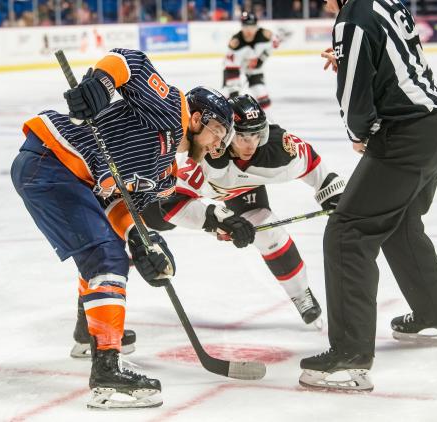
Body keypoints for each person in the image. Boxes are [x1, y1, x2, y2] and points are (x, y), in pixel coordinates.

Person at [11, 48, 234, 409]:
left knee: (111, 246)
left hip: (66, 177)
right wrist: (100, 83)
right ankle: (107, 373)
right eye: (218, 132)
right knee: (105, 257)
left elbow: (119, 206)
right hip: (50, 160)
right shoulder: (171, 110)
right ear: (197, 119)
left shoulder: (164, 176)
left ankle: (90, 336)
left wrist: (143, 241)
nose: (217, 146)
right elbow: (130, 62)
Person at [299, 0, 437, 392]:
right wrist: (349, 56)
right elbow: (393, 61)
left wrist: (361, 133)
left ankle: (349, 357)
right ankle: (436, 313)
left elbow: (354, 90)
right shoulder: (386, 2)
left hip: (405, 136)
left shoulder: (353, 14)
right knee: (401, 222)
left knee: (347, 233)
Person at [143, 94, 346, 326]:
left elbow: (313, 165)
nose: (251, 145)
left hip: (241, 192)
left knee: (266, 229)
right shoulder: (204, 151)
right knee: (156, 220)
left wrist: (333, 194)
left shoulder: (277, 149)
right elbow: (172, 204)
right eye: (242, 137)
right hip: (178, 193)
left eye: (257, 135)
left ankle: (301, 294)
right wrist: (216, 220)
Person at [221, 11, 281, 112]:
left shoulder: (265, 35)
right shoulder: (236, 43)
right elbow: (230, 67)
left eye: (252, 26)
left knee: (263, 97)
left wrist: (261, 59)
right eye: (245, 26)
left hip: (254, 69)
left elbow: (274, 45)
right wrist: (233, 90)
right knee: (232, 97)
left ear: (256, 26)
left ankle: (269, 123)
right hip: (233, 69)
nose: (249, 29)